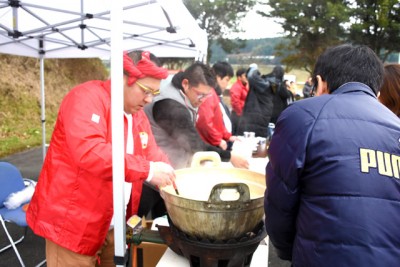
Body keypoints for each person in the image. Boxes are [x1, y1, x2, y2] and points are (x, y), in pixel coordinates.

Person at [26, 51, 176, 267]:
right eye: (145, 90)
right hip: (74, 223)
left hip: (114, 223)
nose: (149, 99)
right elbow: (90, 152)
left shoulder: (136, 115)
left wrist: (173, 177)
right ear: (123, 78)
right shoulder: (86, 98)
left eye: (154, 93)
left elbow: (151, 152)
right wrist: (150, 171)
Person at [264, 43, 400, 266]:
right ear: (376, 92)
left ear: (319, 82)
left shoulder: (303, 115)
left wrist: (287, 251)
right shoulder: (396, 127)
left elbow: (280, 203)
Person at [196, 61, 237, 150]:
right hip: (209, 145)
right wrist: (217, 140)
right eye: (227, 79)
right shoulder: (209, 92)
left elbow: (218, 121)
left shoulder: (214, 93)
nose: (228, 83)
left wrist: (227, 136)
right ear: (218, 77)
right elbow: (204, 121)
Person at [237, 64, 274, 137]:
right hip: (257, 124)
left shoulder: (264, 87)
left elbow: (252, 76)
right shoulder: (269, 89)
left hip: (253, 124)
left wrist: (254, 69)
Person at [229, 67, 249, 135]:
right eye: (244, 76)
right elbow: (235, 102)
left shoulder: (245, 86)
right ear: (239, 77)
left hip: (243, 114)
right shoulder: (236, 87)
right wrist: (240, 113)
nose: (246, 77)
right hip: (237, 115)